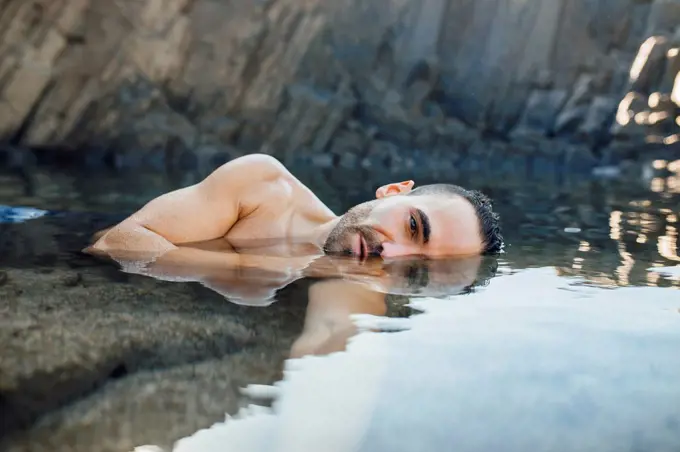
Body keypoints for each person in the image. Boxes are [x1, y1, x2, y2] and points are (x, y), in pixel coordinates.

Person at [89, 153, 503, 260]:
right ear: (393, 191)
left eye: (418, 268)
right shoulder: (264, 186)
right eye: (414, 228)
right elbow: (118, 241)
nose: (391, 254)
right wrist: (285, 267)